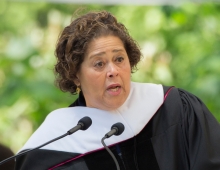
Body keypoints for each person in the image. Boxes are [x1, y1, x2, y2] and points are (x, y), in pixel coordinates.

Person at [14, 11, 220, 170]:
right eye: (99, 64)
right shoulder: (50, 149)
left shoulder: (175, 108)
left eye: (119, 59)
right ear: (75, 75)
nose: (113, 71)